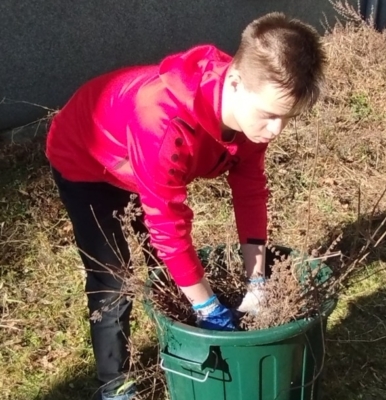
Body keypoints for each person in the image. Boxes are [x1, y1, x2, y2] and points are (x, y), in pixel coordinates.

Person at [46, 12, 327, 400]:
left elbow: (249, 190)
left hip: (140, 160)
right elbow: (168, 224)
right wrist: (209, 307)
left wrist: (257, 279)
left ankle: (181, 349)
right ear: (234, 81)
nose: (275, 130)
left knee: (168, 272)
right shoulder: (163, 122)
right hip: (86, 159)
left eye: (287, 118)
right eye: (270, 115)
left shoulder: (251, 116)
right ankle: (115, 385)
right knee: (114, 277)